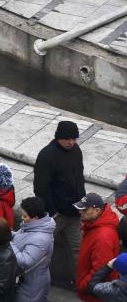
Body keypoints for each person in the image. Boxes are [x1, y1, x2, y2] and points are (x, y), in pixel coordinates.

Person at [33, 120, 85, 288]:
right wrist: (52, 211)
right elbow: (41, 187)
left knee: (78, 251)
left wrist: (82, 203)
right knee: (41, 249)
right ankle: (33, 280)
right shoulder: (47, 155)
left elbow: (79, 178)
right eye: (67, 139)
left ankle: (81, 284)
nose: (71, 142)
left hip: (75, 212)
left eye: (74, 139)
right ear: (58, 138)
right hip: (56, 215)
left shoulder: (76, 151)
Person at [10, 197, 55, 302]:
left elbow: (25, 261)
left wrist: (9, 243)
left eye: (25, 216)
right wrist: (9, 234)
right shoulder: (32, 226)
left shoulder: (41, 238)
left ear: (35, 218)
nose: (22, 218)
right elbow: (24, 239)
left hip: (30, 288)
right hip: (28, 282)